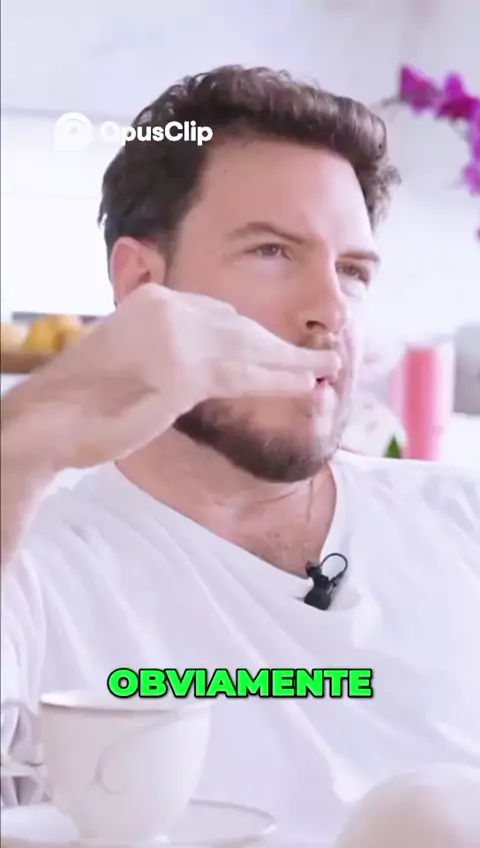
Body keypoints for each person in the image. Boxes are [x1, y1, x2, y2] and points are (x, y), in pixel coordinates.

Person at [1, 65, 479, 845]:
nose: (329, 312)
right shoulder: (33, 572)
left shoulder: (462, 524)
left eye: (352, 272)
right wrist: (29, 433)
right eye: (272, 251)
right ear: (143, 283)